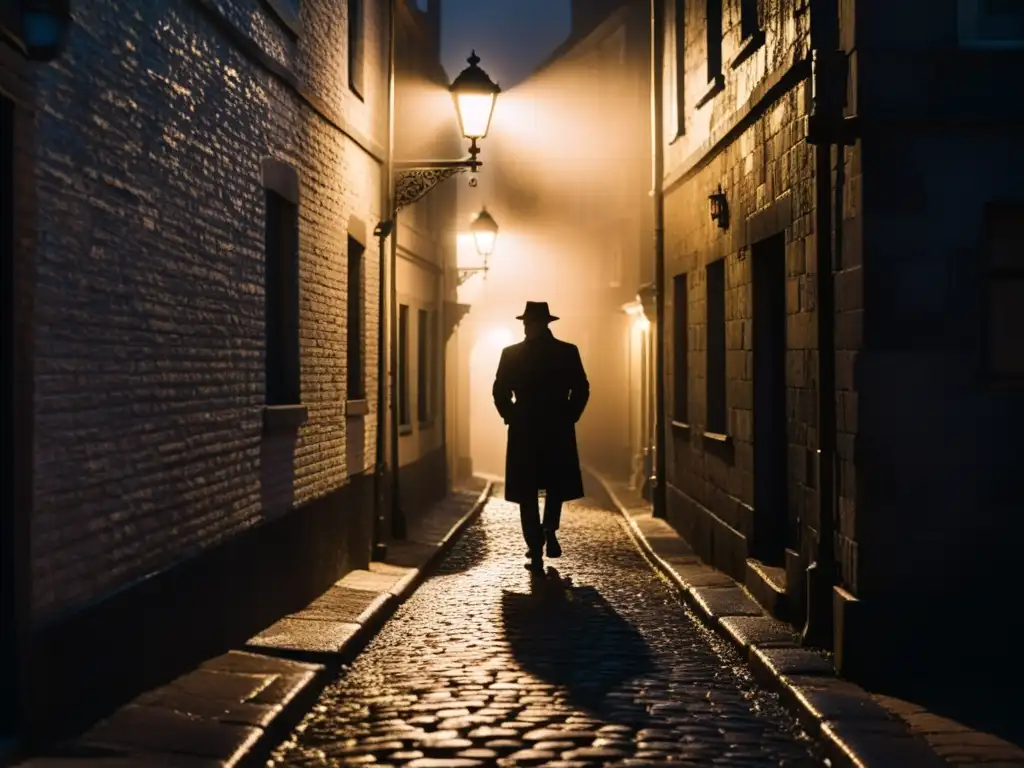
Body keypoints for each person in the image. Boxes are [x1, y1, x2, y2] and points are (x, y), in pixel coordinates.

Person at [493, 301, 590, 573]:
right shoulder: (563, 352)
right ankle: (541, 538)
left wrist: (512, 415)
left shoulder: (517, 354)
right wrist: (569, 415)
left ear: (541, 324)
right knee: (543, 487)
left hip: (536, 428)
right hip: (545, 427)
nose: (526, 326)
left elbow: (500, 390)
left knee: (540, 488)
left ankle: (542, 537)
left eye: (529, 322)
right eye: (525, 322)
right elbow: (581, 388)